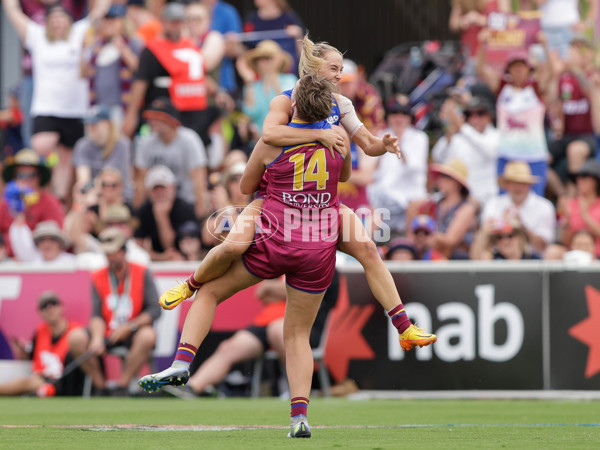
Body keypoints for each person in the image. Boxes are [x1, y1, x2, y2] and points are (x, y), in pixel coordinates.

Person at [139, 74, 435, 438]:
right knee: (297, 335)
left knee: (212, 290)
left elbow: (247, 187)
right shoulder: (338, 143)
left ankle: (183, 354)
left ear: (292, 107)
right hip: (318, 248)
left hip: (276, 239)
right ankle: (299, 417)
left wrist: (269, 186)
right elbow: (343, 176)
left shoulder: (271, 142)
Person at [160, 34, 432, 354]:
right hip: (276, 197)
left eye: (341, 69)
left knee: (369, 250)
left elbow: (367, 144)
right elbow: (270, 133)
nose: (339, 75)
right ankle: (189, 286)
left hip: (319, 203)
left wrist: (382, 145)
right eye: (333, 68)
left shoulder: (341, 105)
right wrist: (319, 133)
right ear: (313, 67)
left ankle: (404, 327)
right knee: (232, 246)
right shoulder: (285, 101)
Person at [1, 0, 111, 202]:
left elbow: (101, 8)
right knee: (41, 145)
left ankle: (58, 200)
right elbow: (12, 10)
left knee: (68, 160)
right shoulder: (37, 36)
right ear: (48, 23)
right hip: (46, 107)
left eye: (62, 18)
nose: (58, 23)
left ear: (69, 21)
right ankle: (42, 187)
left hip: (74, 110)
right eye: (53, 19)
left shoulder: (80, 32)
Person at [185, 271, 339, 396]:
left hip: (304, 327)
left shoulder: (326, 267)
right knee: (229, 347)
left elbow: (307, 294)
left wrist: (277, 290)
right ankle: (192, 387)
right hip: (266, 323)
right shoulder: (284, 264)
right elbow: (261, 292)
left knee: (278, 331)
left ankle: (296, 391)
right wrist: (283, 291)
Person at [68, 227, 161, 395]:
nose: (110, 257)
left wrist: (130, 326)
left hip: (133, 330)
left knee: (148, 335)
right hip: (107, 330)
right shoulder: (98, 276)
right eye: (107, 254)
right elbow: (96, 314)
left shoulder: (142, 272)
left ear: (124, 251)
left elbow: (155, 309)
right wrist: (97, 338)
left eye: (114, 252)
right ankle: (100, 387)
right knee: (76, 338)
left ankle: (122, 386)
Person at [123, 2, 218, 149]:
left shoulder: (190, 46)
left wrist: (217, 93)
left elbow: (198, 75)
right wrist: (132, 115)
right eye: (172, 21)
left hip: (194, 112)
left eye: (179, 21)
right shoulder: (151, 50)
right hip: (165, 112)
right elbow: (140, 82)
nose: (176, 25)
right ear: (163, 21)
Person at [476, 30, 554, 195]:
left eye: (522, 66)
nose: (518, 69)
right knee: (505, 201)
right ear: (509, 69)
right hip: (506, 154)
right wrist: (483, 44)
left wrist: (545, 47)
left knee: (535, 199)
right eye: (514, 66)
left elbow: (551, 74)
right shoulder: (502, 87)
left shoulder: (536, 88)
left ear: (528, 69)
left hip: (534, 155)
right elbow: (481, 69)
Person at [133, 98, 208, 217]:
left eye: (157, 118)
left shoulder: (189, 140)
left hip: (185, 202)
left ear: (171, 120)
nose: (152, 121)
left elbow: (199, 179)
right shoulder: (145, 143)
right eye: (151, 118)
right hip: (155, 203)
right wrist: (137, 213)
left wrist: (200, 213)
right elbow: (140, 181)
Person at [0, 291, 85, 397]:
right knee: (26, 382)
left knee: (26, 383)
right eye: (44, 306)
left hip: (66, 381)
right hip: (42, 380)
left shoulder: (77, 333)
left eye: (53, 304)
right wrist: (22, 353)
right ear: (40, 312)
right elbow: (31, 359)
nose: (50, 309)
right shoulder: (40, 331)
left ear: (62, 307)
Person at [367, 96, 429, 235]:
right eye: (395, 113)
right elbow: (373, 173)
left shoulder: (419, 137)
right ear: (389, 117)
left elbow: (414, 168)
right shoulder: (382, 136)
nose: (399, 118)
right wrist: (379, 147)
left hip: (409, 198)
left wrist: (397, 144)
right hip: (384, 200)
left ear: (409, 117)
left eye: (403, 114)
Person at [82, 3, 144, 127]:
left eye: (113, 20)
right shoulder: (97, 45)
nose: (108, 23)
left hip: (121, 106)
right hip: (98, 105)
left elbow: (141, 70)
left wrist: (123, 50)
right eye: (106, 20)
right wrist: (84, 49)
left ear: (124, 22)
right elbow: (83, 74)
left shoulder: (134, 43)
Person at [432, 95, 499, 205]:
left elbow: (491, 151)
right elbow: (438, 157)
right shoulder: (461, 136)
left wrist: (461, 126)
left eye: (480, 114)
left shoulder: (495, 136)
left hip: (486, 197)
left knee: (467, 207)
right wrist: (449, 135)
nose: (475, 119)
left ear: (490, 116)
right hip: (460, 196)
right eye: (469, 115)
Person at [480, 160, 556, 254]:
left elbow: (542, 246)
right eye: (514, 183)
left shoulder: (545, 206)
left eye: (522, 183)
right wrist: (493, 230)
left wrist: (521, 227)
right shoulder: (493, 204)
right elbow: (485, 243)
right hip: (499, 258)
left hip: (534, 261)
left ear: (529, 184)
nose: (518, 188)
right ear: (506, 184)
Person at [408, 158, 478, 259]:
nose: (440, 179)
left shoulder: (466, 208)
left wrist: (424, 236)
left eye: (446, 176)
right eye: (440, 176)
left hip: (457, 260)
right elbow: (412, 207)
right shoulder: (435, 203)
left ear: (457, 183)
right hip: (433, 257)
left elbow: (451, 241)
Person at [0, 148, 64, 256]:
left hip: (41, 262)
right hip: (7, 262)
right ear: (14, 177)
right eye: (21, 175)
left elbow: (55, 238)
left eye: (32, 175)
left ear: (39, 177)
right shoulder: (4, 203)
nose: (26, 180)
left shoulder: (50, 203)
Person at [133, 165, 198, 261]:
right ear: (148, 191)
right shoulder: (143, 211)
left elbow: (175, 247)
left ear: (173, 187)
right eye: (155, 189)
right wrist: (161, 257)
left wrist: (162, 216)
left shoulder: (185, 209)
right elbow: (136, 249)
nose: (159, 193)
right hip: (154, 264)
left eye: (163, 188)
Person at [72, 106, 133, 202]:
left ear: (108, 124)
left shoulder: (122, 144)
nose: (90, 127)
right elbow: (83, 178)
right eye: (88, 124)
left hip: (119, 198)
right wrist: (84, 192)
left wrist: (90, 193)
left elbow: (108, 177)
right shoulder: (82, 145)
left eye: (94, 124)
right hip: (93, 195)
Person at [239, 39, 297, 132]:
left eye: (269, 58)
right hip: (258, 140)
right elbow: (250, 113)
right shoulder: (252, 86)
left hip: (284, 136)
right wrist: (249, 81)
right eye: (261, 58)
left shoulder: (289, 79)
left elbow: (288, 105)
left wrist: (273, 75)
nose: (265, 62)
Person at [558, 159, 600, 256]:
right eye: (578, 177)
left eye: (585, 176)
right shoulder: (569, 204)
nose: (580, 180)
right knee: (553, 251)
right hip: (573, 255)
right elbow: (565, 241)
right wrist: (567, 218)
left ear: (596, 180)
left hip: (598, 254)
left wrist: (585, 215)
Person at [470, 217, 541, 260]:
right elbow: (476, 260)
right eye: (499, 237)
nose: (506, 241)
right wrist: (483, 233)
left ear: (520, 237)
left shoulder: (533, 261)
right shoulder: (493, 259)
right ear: (495, 241)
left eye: (510, 236)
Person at [10, 219, 75, 265]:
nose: (48, 244)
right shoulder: (30, 261)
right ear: (38, 244)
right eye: (42, 240)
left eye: (53, 240)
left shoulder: (72, 262)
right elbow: (20, 238)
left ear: (60, 243)